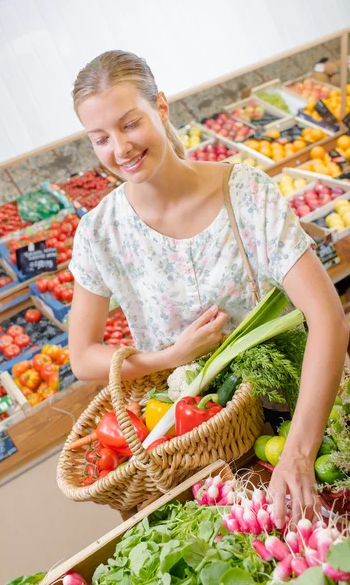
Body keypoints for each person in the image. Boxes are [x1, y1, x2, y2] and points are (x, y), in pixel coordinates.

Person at [68, 50, 349, 527]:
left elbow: (327, 319)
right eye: (100, 139)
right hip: (198, 453)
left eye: (130, 124)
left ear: (161, 107)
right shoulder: (100, 234)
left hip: (304, 417)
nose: (119, 149)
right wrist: (169, 358)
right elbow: (82, 356)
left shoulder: (245, 192)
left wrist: (299, 453)